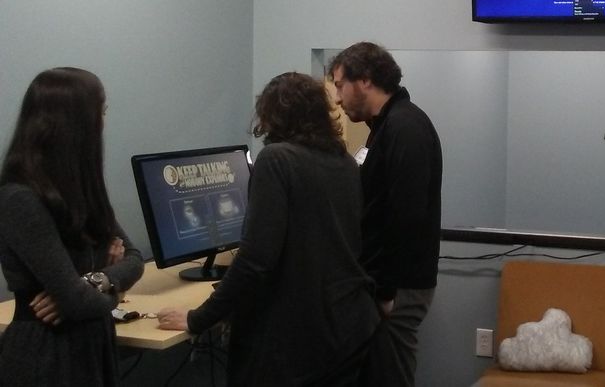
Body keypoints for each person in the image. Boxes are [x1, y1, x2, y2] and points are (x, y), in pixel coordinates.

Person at [157, 72, 380, 386]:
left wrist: (199, 318)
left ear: (272, 115)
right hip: (347, 327)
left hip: (299, 342)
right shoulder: (343, 161)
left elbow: (256, 260)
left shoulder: (277, 159)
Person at [0, 67, 144, 386]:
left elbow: (134, 259)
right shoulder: (20, 198)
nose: (104, 121)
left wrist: (93, 282)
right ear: (75, 123)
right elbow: (74, 300)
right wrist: (109, 295)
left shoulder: (80, 188)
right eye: (101, 111)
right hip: (47, 355)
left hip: (91, 344)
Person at [328, 42, 442, 387]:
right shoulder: (385, 125)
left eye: (339, 85)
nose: (336, 98)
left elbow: (406, 217)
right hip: (388, 283)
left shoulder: (405, 128)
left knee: (389, 377)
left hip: (398, 287)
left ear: (364, 80)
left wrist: (386, 291)